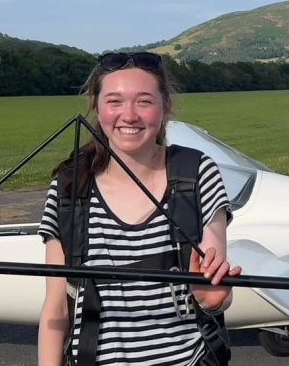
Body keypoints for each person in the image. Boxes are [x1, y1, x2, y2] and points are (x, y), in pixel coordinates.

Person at [37, 51, 242, 365]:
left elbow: (214, 287)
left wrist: (212, 302)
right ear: (97, 106)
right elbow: (56, 308)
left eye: (144, 102)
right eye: (114, 101)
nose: (129, 116)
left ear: (165, 107)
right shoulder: (69, 186)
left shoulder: (197, 174)